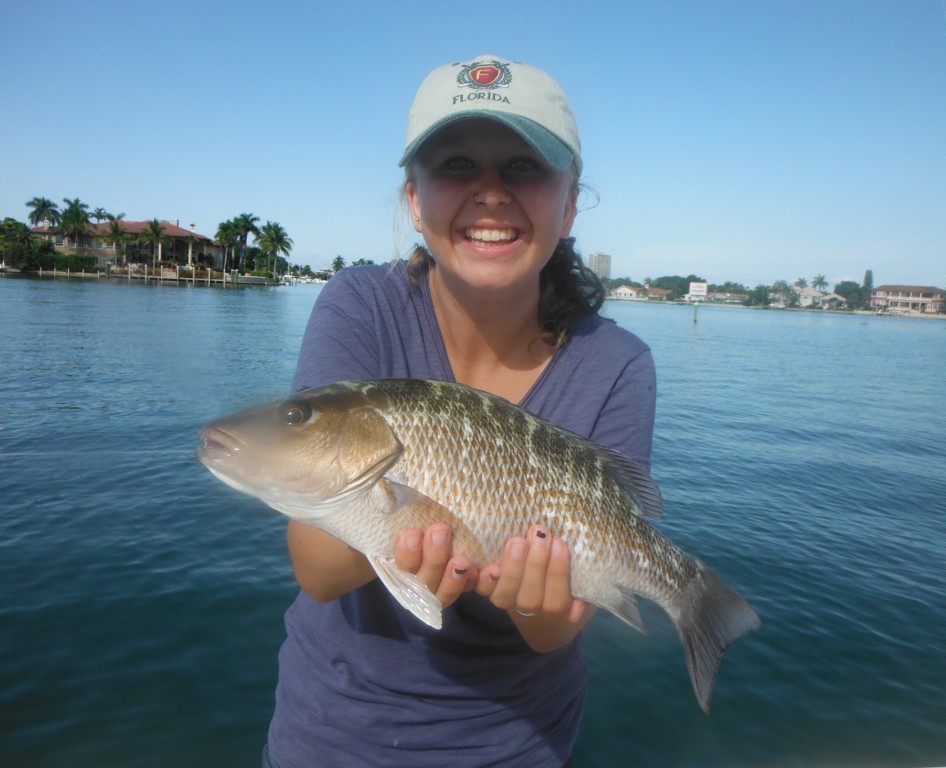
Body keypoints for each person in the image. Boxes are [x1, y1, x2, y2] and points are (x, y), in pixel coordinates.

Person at [263, 54, 656, 768]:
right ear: (414, 199)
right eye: (455, 165)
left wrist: (532, 599)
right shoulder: (360, 305)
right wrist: (398, 529)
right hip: (331, 740)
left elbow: (551, 634)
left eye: (524, 166)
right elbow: (318, 571)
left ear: (570, 205)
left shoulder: (617, 364)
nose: (490, 193)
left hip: (517, 748)